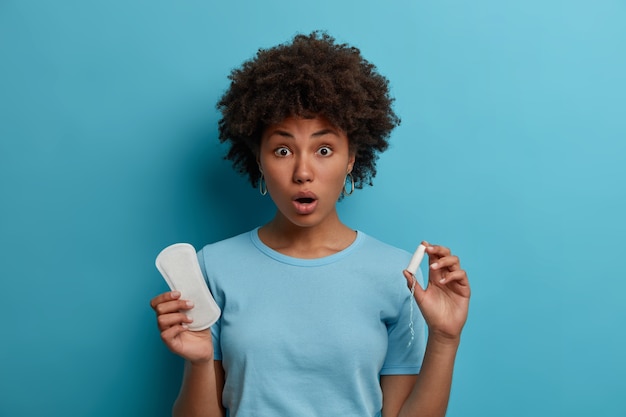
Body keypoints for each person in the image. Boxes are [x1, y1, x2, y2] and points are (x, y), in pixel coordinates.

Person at [150, 31, 470, 417]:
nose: (303, 172)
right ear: (259, 161)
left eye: (324, 149)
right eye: (283, 150)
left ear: (351, 157)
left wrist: (445, 339)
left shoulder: (397, 273)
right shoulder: (212, 268)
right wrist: (200, 362)